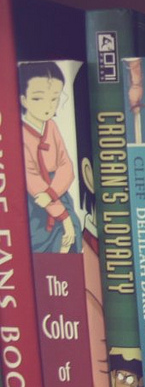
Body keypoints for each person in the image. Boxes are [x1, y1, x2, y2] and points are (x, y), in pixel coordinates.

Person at [19, 61, 81, 253]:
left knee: (73, 235)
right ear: (24, 100)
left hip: (57, 191)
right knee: (43, 244)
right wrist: (62, 215)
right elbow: (31, 179)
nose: (48, 106)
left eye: (54, 98)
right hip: (35, 202)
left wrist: (53, 194)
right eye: (38, 98)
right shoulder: (20, 133)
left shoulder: (51, 126)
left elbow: (66, 165)